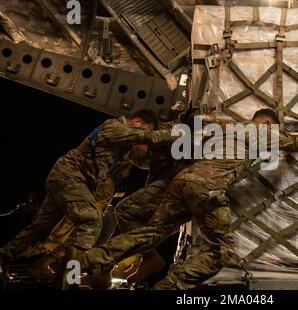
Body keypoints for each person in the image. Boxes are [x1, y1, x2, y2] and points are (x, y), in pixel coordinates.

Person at [68, 109, 298, 290]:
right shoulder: (260, 133)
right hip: (209, 188)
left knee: (152, 231)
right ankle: (171, 286)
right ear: (267, 123)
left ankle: (86, 260)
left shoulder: (225, 129)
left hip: (182, 181)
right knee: (223, 249)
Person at [0, 110, 175, 284]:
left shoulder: (123, 145)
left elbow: (143, 160)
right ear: (136, 122)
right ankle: (67, 276)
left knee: (42, 228)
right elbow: (148, 138)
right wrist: (178, 133)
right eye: (144, 130)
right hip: (69, 176)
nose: (142, 139)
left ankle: (6, 257)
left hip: (68, 179)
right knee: (92, 222)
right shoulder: (114, 127)